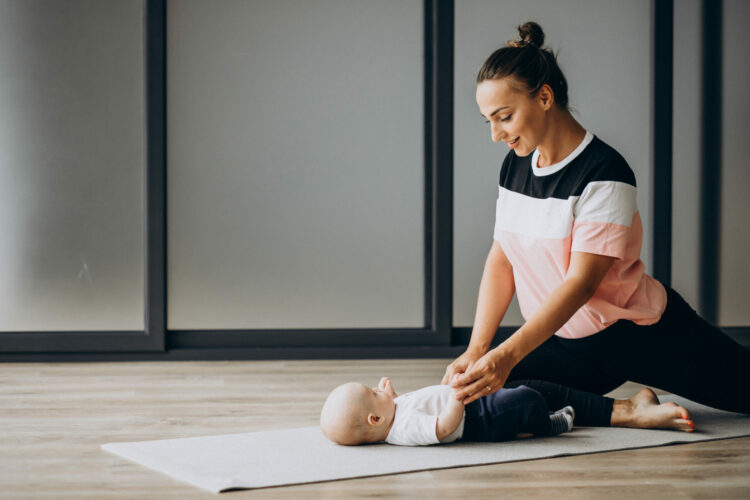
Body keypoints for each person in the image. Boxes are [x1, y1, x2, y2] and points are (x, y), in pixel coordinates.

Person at [442, 21, 750, 415]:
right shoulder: (515, 166)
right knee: (478, 393)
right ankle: (627, 412)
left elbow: (581, 284)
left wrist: (505, 355)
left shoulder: (604, 172)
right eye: (489, 121)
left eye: (504, 117)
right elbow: (502, 257)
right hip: (566, 341)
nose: (496, 134)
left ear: (545, 97)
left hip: (636, 334)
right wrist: (478, 350)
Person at [320, 376, 695, 446]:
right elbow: (440, 428)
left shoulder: (393, 413)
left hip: (473, 405)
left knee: (521, 391)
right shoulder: (403, 432)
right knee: (524, 399)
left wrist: (389, 393)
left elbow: (409, 404)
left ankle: (628, 409)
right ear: (375, 420)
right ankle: (547, 426)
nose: (380, 387)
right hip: (481, 421)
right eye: (373, 392)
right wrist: (455, 398)